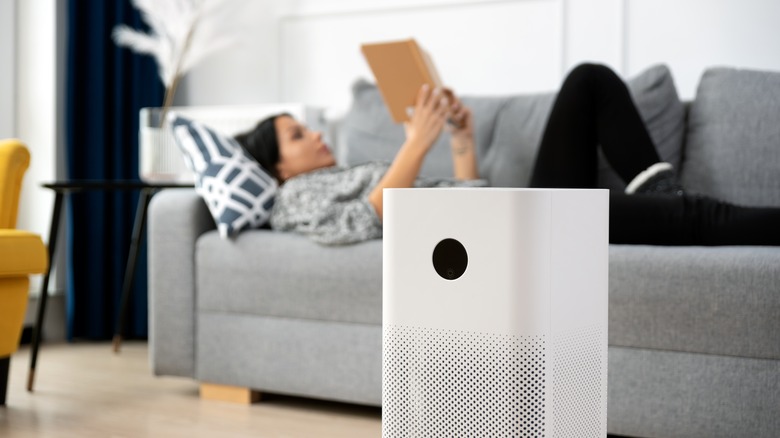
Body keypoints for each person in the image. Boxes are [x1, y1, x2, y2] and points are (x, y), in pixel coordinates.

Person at [234, 63, 780, 246]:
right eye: (298, 136)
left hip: (509, 210)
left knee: (588, 81)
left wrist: (460, 141)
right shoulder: (292, 201)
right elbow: (361, 221)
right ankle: (669, 201)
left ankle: (658, 188)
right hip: (511, 231)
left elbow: (464, 196)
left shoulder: (347, 170)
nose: (317, 135)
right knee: (697, 217)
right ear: (278, 167)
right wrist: (416, 143)